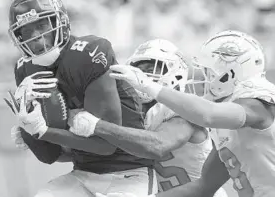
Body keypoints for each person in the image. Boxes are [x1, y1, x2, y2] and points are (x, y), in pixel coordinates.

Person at [5, 0, 156, 197]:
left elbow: (106, 146)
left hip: (128, 171)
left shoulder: (88, 53)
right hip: (83, 172)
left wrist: (44, 131)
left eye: (41, 25)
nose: (37, 38)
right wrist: (31, 134)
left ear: (61, 22)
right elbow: (51, 156)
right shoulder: (26, 69)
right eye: (27, 32)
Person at [107, 30, 275, 197]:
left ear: (231, 73)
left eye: (209, 71)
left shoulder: (257, 102)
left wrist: (148, 85)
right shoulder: (227, 127)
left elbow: (208, 114)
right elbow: (204, 186)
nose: (204, 77)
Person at [67, 39, 227, 197]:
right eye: (138, 68)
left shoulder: (182, 109)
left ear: (176, 74)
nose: (142, 74)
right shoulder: (129, 110)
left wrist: (96, 125)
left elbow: (158, 145)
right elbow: (95, 153)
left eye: (153, 68)